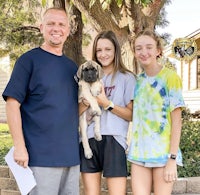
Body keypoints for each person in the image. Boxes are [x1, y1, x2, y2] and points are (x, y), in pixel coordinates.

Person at [2, 7, 80, 195]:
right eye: (51, 23)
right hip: (40, 157)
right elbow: (12, 104)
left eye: (61, 24)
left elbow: (73, 109)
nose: (56, 28)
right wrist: (19, 147)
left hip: (71, 158)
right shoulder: (28, 61)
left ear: (68, 30)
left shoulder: (72, 68)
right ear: (41, 27)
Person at [127, 29, 185, 195]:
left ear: (158, 50)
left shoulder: (170, 78)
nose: (143, 52)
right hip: (139, 154)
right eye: (139, 48)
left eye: (149, 47)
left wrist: (172, 159)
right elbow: (132, 115)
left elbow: (177, 121)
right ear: (134, 52)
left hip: (163, 155)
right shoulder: (137, 81)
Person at [79, 30, 136, 195]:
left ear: (116, 51)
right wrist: (87, 99)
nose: (103, 54)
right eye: (99, 50)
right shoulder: (87, 77)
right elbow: (77, 112)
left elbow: (131, 115)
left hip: (114, 140)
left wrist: (106, 104)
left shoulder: (127, 78)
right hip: (88, 139)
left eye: (107, 49)